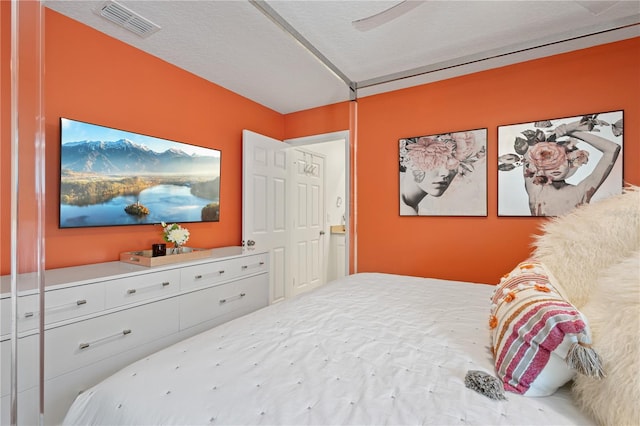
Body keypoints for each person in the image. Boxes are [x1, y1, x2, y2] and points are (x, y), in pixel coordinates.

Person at [501, 117, 621, 216]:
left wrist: (570, 131)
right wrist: (563, 131)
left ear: (571, 164)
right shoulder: (537, 191)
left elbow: (612, 149)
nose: (555, 167)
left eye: (561, 160)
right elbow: (531, 151)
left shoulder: (581, 191)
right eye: (549, 161)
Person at [400, 131, 485, 215]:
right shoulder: (406, 211)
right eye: (437, 160)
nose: (446, 173)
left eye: (454, 163)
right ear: (409, 158)